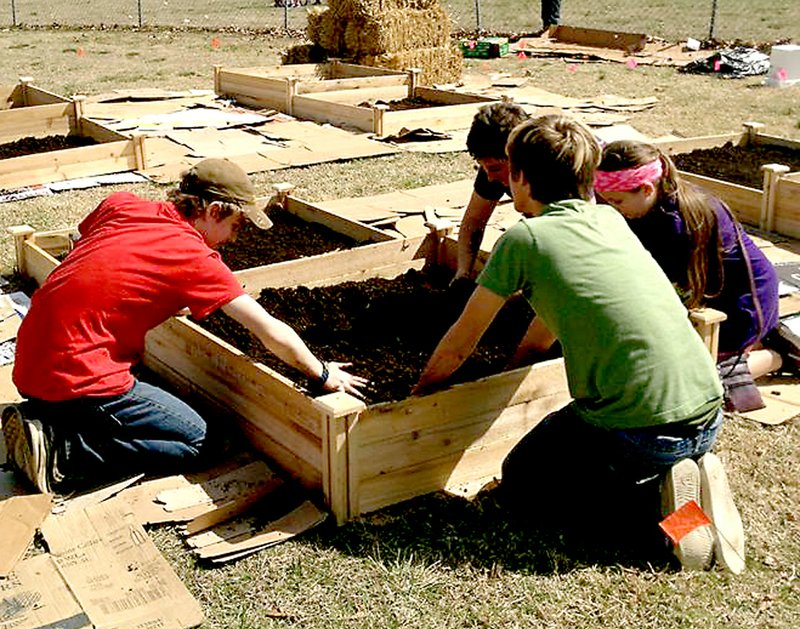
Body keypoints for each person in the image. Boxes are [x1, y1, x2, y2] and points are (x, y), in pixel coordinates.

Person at [414, 115, 744, 572]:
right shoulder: (609, 217)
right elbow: (550, 325)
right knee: (583, 459)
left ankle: (666, 520)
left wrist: (422, 392)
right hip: (707, 409)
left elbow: (461, 341)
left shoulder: (524, 238)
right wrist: (521, 362)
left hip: (638, 431)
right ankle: (680, 478)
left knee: (524, 484)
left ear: (521, 177)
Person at [3, 158, 367, 495]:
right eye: (235, 226)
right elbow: (269, 331)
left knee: (132, 411)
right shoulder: (193, 258)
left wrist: (152, 292)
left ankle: (50, 417)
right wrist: (322, 375)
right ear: (212, 211)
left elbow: (88, 251)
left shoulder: (122, 204)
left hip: (32, 359)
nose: (233, 239)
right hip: (80, 376)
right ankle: (62, 451)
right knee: (200, 442)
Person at [595, 140, 793, 413]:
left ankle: (777, 356)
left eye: (617, 201)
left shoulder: (678, 224)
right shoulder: (648, 207)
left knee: (694, 382)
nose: (613, 208)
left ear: (646, 188)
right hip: (708, 292)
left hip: (743, 305)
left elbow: (665, 290)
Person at [454, 101, 530, 282]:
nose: (489, 178)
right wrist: (463, 273)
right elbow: (473, 221)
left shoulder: (559, 173)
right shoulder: (495, 166)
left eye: (495, 169)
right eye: (484, 168)